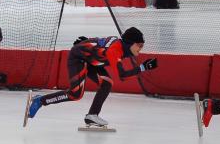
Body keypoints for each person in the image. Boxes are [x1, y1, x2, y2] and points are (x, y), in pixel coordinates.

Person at [26, 27, 158, 127]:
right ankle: (40, 100)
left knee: (107, 83)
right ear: (130, 43)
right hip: (78, 58)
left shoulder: (122, 46)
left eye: (142, 45)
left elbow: (99, 42)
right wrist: (143, 67)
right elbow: (122, 76)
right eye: (139, 45)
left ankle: (92, 115)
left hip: (91, 61)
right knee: (75, 94)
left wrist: (85, 42)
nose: (141, 48)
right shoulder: (115, 50)